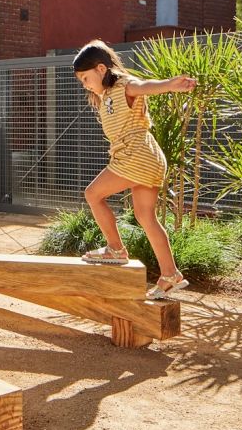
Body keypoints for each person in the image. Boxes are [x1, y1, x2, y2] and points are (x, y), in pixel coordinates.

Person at [72, 39, 196, 299]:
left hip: (136, 157)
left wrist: (170, 85)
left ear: (101, 69)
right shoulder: (105, 95)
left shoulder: (123, 85)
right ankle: (170, 275)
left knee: (93, 194)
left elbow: (144, 86)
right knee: (146, 217)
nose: (85, 84)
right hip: (148, 158)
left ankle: (116, 250)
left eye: (86, 78)